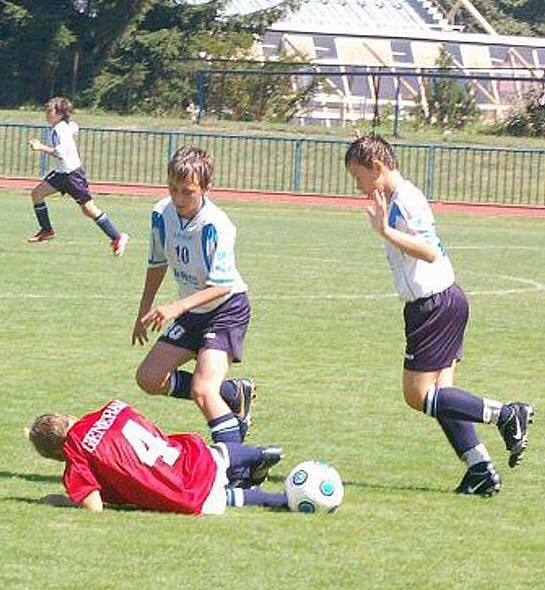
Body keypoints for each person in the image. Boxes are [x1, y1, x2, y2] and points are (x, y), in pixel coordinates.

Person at [344, 132, 533, 496]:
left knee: (419, 396)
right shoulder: (398, 196)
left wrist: (383, 230)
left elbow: (428, 251)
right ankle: (480, 469)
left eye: (359, 177)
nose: (358, 186)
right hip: (446, 300)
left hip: (433, 306)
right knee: (443, 397)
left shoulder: (407, 201)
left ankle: (507, 414)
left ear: (378, 167)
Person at [132, 145, 255, 446]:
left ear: (206, 188)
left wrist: (176, 307)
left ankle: (236, 468)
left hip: (226, 310)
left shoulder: (217, 224)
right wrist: (142, 312)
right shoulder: (161, 214)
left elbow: (222, 286)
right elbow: (157, 263)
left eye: (188, 192)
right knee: (149, 377)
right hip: (193, 311)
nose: (178, 199)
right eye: (173, 189)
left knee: (202, 390)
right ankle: (232, 393)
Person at [27, 399, 286, 514]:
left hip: (177, 486)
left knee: (216, 497)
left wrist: (64, 500)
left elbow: (93, 507)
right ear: (69, 418)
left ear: (56, 455)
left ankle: (280, 501)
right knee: (217, 455)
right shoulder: (109, 409)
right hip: (182, 456)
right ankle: (256, 454)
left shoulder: (75, 454)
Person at [26, 96, 129, 257]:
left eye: (50, 110)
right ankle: (47, 230)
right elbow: (75, 126)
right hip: (61, 174)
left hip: (72, 176)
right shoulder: (62, 126)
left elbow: (60, 153)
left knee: (89, 210)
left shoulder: (60, 129)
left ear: (60, 114)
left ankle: (117, 237)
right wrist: (70, 127)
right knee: (37, 194)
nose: (46, 113)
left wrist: (40, 147)